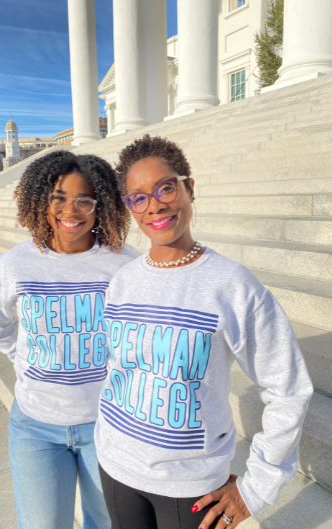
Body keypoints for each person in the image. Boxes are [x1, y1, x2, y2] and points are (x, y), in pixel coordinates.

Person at [94, 135, 313, 529]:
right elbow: (118, 369)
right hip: (115, 466)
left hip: (188, 485)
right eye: (137, 197)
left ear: (189, 188)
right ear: (129, 208)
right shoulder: (123, 281)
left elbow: (288, 388)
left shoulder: (232, 284)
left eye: (165, 187)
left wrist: (257, 485)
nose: (155, 205)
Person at [0, 150, 139, 529]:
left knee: (107, 523)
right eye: (58, 197)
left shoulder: (125, 264)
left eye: (85, 199)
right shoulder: (14, 264)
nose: (71, 210)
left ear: (102, 205)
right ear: (40, 200)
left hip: (107, 425)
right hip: (36, 426)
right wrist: (23, 356)